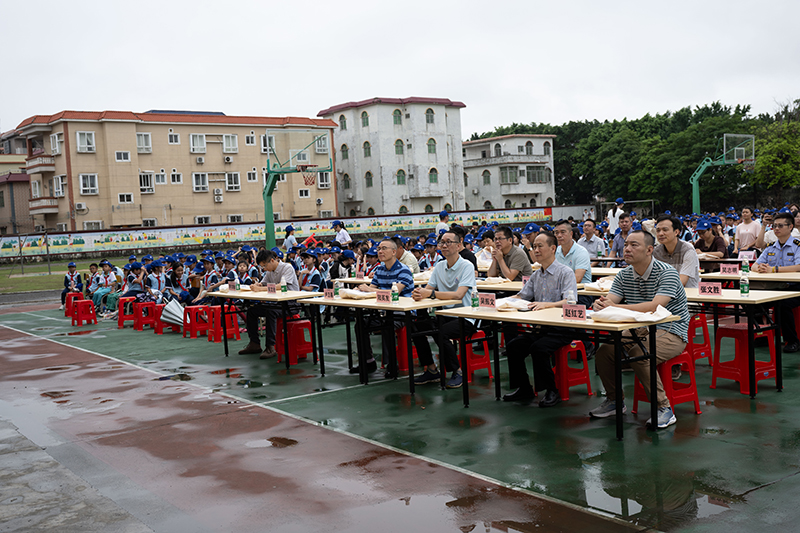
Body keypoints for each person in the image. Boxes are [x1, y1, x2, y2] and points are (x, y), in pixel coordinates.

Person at [589, 230, 690, 429]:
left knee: (641, 353)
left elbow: (655, 307)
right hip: (638, 329)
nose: (627, 249)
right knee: (605, 352)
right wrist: (600, 305)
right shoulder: (624, 275)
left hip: (671, 329)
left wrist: (613, 306)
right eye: (626, 244)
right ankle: (614, 401)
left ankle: (664, 408)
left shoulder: (667, 272)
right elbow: (610, 301)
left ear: (649, 250)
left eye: (634, 245)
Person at [502, 233, 578, 406]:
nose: (536, 250)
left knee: (539, 348)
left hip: (562, 327)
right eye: (534, 246)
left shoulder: (565, 273)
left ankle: (552, 390)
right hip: (541, 328)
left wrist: (547, 305)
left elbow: (571, 301)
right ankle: (524, 388)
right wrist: (504, 302)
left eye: (540, 246)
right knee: (514, 345)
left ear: (553, 248)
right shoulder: (537, 275)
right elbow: (523, 296)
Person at [411, 230, 476, 389]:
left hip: (466, 316)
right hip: (444, 314)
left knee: (442, 332)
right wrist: (419, 294)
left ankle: (457, 371)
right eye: (442, 242)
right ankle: (432, 369)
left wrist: (431, 294)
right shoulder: (439, 266)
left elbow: (459, 295)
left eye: (449, 242)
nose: (444, 245)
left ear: (459, 245)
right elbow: (428, 289)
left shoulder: (466, 266)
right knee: (416, 327)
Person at [353, 238, 415, 377]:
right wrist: (362, 290)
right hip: (384, 311)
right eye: (379, 249)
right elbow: (372, 289)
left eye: (384, 248)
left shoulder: (404, 270)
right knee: (361, 324)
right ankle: (368, 361)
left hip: (403, 313)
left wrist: (369, 290)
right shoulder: (379, 269)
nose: (380, 251)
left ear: (394, 252)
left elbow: (394, 293)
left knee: (388, 324)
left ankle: (391, 364)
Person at [752, 211, 800, 352]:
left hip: (795, 288)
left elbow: (798, 267)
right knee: (756, 302)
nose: (776, 229)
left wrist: (774, 270)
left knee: (783, 304)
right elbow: (754, 265)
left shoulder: (797, 246)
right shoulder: (770, 247)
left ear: (790, 227)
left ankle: (792, 341)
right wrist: (759, 268)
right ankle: (762, 336)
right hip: (776, 287)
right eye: (774, 226)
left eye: (780, 225)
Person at [239, 250, 300, 359]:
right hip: (276, 303)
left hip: (290, 305)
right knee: (252, 311)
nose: (264, 269)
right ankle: (254, 343)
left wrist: (260, 288)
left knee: (270, 312)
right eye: (262, 267)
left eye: (264, 266)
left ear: (272, 260)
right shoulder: (269, 271)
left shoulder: (287, 268)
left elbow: (281, 286)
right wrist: (258, 284)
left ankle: (270, 346)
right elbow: (263, 283)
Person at [653, 215, 700, 289]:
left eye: (665, 230)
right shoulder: (656, 251)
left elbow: (682, 282)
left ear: (676, 232)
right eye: (658, 230)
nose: (660, 233)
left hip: (687, 295)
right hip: (662, 294)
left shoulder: (687, 249)